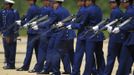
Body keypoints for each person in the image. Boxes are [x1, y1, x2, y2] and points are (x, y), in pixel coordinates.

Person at [66, 0, 105, 74]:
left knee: (85, 55)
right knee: (97, 55)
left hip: (86, 34)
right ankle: (99, 72)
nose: (85, 2)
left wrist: (72, 25)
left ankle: (79, 72)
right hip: (96, 33)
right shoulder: (98, 9)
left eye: (86, 1)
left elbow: (81, 24)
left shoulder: (87, 10)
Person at [28, 0, 53, 73]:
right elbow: (40, 18)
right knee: (42, 52)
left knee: (45, 52)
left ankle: (44, 68)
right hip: (42, 32)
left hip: (47, 32)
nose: (45, 2)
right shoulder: (42, 9)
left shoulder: (50, 10)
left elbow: (49, 21)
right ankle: (41, 67)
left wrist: (38, 25)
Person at [16, 0, 40, 71]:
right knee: (37, 50)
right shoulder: (38, 8)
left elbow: (28, 21)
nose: (27, 1)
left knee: (29, 50)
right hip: (38, 32)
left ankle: (25, 66)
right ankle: (39, 66)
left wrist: (21, 22)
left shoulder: (31, 8)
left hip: (32, 32)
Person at [112, 0, 134, 75]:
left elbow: (131, 24)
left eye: (123, 1)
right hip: (129, 38)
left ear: (128, 2)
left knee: (124, 60)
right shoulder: (130, 10)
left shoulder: (130, 11)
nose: (121, 3)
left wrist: (120, 29)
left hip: (130, 38)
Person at [103, 0, 125, 75]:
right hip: (121, 38)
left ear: (117, 3)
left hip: (114, 38)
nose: (110, 4)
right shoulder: (121, 11)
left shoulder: (114, 12)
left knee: (110, 57)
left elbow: (111, 25)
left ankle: (106, 73)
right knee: (120, 57)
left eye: (112, 2)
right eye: (110, 2)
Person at [0, 0, 20, 69]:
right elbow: (1, 22)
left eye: (5, 4)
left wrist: (12, 34)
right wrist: (1, 31)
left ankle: (11, 64)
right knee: (6, 49)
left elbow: (16, 24)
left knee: (12, 49)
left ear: (9, 5)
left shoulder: (14, 12)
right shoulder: (2, 12)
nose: (4, 5)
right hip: (4, 33)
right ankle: (8, 63)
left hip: (12, 34)